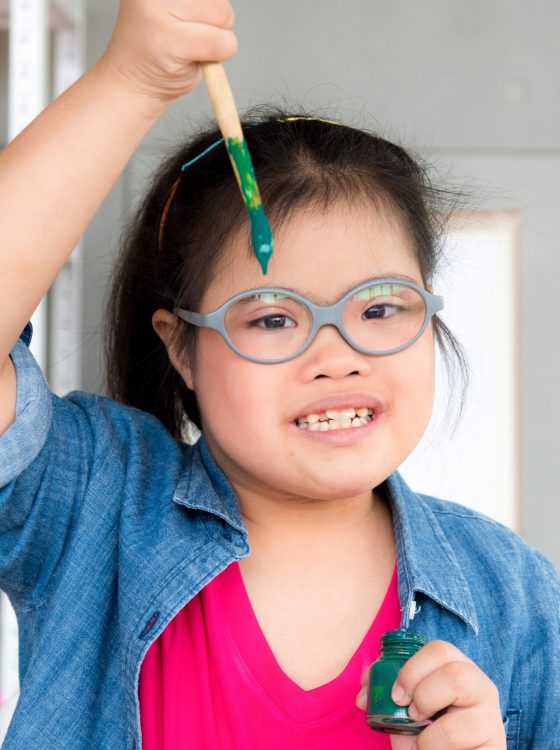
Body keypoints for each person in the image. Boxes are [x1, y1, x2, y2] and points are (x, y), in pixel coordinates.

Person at [0, 1, 558, 748]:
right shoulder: (97, 505)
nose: (340, 356)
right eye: (272, 318)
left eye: (382, 308)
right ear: (180, 347)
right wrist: (128, 82)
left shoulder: (518, 597)